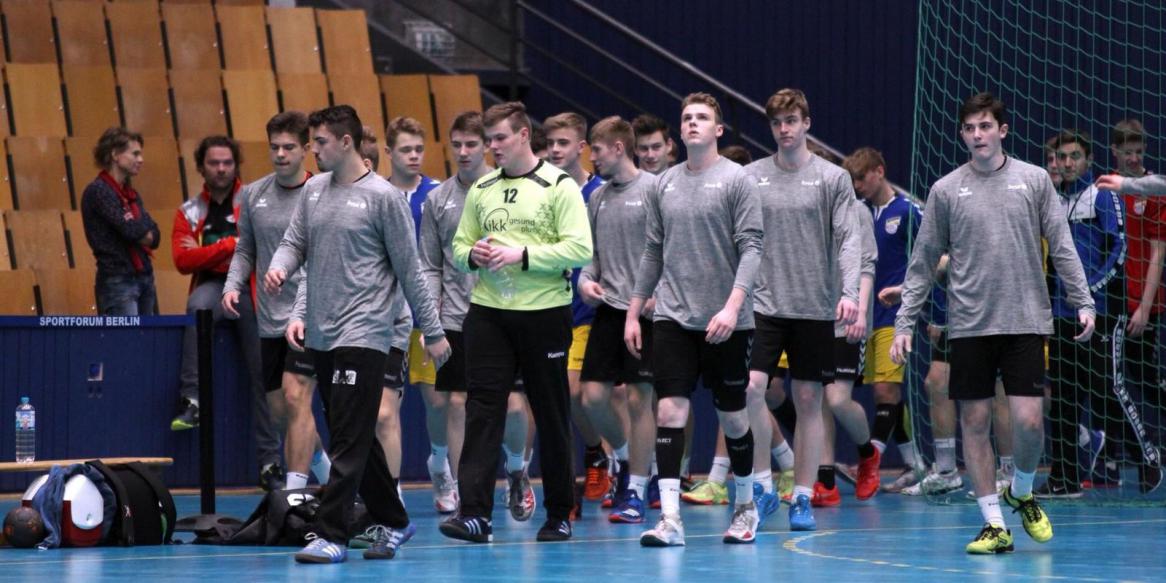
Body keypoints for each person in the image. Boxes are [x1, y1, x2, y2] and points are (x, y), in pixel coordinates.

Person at [891, 92, 1096, 554]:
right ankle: (993, 523)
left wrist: (1082, 300)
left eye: (985, 126)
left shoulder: (1034, 180)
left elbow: (1062, 245)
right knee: (976, 421)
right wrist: (904, 323)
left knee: (1027, 421)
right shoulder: (946, 190)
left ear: (1002, 131)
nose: (978, 135)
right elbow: (923, 262)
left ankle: (1020, 490)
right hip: (969, 326)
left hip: (1025, 320)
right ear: (963, 135)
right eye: (970, 128)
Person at [267, 105, 450, 563]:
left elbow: (411, 271)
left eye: (320, 142)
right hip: (324, 334)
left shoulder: (384, 198)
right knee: (357, 434)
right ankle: (395, 520)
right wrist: (279, 267)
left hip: (368, 332)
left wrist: (433, 330)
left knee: (348, 437)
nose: (314, 150)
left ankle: (332, 533)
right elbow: (296, 244)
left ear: (345, 143)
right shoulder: (313, 192)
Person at [440, 101, 592, 544]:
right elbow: (459, 248)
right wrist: (475, 255)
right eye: (489, 140)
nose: (492, 148)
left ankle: (560, 511)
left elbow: (580, 249)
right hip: (488, 313)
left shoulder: (558, 185)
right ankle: (475, 514)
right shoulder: (483, 188)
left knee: (550, 411)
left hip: (544, 313)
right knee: (482, 410)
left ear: (524, 135)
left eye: (500, 138)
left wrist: (521, 255)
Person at [628, 92, 763, 546]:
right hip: (672, 317)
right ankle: (670, 520)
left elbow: (752, 247)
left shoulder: (738, 180)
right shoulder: (663, 183)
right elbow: (652, 251)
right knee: (669, 409)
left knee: (733, 417)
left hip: (728, 321)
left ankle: (745, 506)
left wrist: (731, 305)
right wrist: (634, 311)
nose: (692, 123)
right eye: (686, 117)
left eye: (702, 118)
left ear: (718, 130)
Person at [743, 88, 860, 531]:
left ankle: (804, 497)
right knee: (752, 389)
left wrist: (849, 292)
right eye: (776, 123)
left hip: (814, 307)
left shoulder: (833, 179)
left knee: (809, 400)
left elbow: (850, 239)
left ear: (806, 122)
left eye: (791, 120)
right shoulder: (752, 176)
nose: (784, 129)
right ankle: (762, 484)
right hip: (764, 304)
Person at [419, 111, 537, 520]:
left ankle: (518, 471)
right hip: (455, 317)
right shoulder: (438, 200)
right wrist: (430, 319)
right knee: (455, 402)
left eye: (473, 144)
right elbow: (430, 265)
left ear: (487, 145)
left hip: (509, 313)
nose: (465, 152)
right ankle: (468, 497)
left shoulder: (508, 188)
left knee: (516, 407)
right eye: (457, 145)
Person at [1042, 129, 1161, 496]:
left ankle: (1148, 459)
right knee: (1062, 396)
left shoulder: (1102, 198)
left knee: (1107, 389)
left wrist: (1087, 292)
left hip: (1103, 313)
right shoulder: (1051, 204)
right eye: (1061, 157)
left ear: (1088, 160)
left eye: (1074, 156)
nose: (1067, 163)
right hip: (1062, 316)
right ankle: (1064, 477)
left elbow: (1118, 254)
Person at [221, 112, 331, 492]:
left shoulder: (323, 192)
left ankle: (295, 491)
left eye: (289, 147)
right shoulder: (253, 194)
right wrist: (232, 285)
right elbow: (245, 248)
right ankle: (325, 470)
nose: (281, 154)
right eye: (274, 147)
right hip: (268, 318)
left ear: (305, 150)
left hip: (309, 316)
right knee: (281, 412)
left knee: (296, 392)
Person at [170, 136, 282, 491]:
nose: (221, 169)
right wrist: (229, 245)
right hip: (213, 288)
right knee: (197, 307)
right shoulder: (189, 211)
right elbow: (182, 261)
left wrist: (211, 249)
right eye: (214, 163)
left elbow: (261, 247)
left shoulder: (252, 201)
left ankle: (269, 464)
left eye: (227, 163)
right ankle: (192, 399)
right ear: (201, 166)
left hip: (249, 289)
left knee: (262, 376)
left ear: (236, 166)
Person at [577, 116, 657, 524]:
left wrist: (658, 294)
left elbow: (670, 251)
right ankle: (627, 461)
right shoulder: (598, 198)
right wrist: (587, 281)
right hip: (608, 311)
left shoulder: (655, 191)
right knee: (591, 396)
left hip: (646, 314)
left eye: (598, 150)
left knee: (641, 400)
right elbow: (591, 256)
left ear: (620, 149)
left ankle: (638, 491)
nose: (593, 158)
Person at [844, 147, 927, 494]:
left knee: (885, 391)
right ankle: (916, 464)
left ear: (880, 171)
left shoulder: (909, 212)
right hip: (864, 316)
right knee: (888, 395)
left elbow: (931, 257)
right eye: (854, 180)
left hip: (896, 315)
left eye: (862, 178)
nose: (858, 185)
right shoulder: (856, 213)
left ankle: (871, 460)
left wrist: (929, 309)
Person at [543, 112, 613, 500]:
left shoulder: (600, 192)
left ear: (581, 147)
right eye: (551, 143)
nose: (555, 150)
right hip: (547, 307)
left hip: (591, 310)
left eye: (563, 143)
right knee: (558, 397)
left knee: (578, 393)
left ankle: (613, 460)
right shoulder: (541, 190)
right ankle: (597, 454)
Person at [80, 127, 160, 315]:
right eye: (135, 153)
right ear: (115, 154)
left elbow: (155, 236)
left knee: (147, 341)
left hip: (144, 276)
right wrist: (141, 230)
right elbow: (131, 231)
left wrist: (140, 230)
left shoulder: (131, 194)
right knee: (126, 341)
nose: (140, 160)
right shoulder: (98, 191)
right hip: (118, 278)